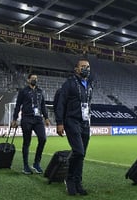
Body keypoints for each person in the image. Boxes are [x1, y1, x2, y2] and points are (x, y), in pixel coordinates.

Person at [56, 59, 93, 196]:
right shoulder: (69, 84)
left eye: (88, 67)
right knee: (79, 152)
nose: (86, 69)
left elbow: (88, 105)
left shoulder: (89, 85)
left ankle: (78, 183)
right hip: (71, 121)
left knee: (81, 155)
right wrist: (59, 122)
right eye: (83, 67)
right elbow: (61, 103)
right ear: (76, 69)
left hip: (85, 123)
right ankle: (70, 180)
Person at [11, 74, 50, 174]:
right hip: (27, 119)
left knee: (43, 139)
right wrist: (14, 119)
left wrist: (46, 118)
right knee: (26, 142)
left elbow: (43, 106)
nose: (35, 80)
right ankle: (25, 166)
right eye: (33, 78)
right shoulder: (23, 91)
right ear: (28, 80)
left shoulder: (40, 91)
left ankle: (36, 163)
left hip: (38, 119)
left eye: (36, 78)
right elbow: (18, 105)